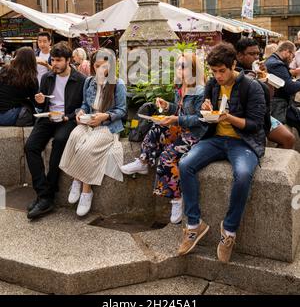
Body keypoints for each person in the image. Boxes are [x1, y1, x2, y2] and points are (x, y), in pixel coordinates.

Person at [178, 43, 266, 263]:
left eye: (222, 71)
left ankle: (229, 231)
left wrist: (229, 118)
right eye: (214, 71)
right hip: (216, 138)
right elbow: (207, 114)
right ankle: (194, 224)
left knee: (244, 175)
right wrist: (207, 110)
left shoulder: (251, 87)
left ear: (233, 65)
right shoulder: (212, 84)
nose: (217, 76)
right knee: (185, 164)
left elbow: (255, 125)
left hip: (243, 142)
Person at [121, 52, 207, 224]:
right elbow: (179, 111)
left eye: (183, 66)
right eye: (177, 65)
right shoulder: (180, 87)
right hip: (181, 128)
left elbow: (201, 119)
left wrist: (176, 119)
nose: (178, 69)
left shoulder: (200, 91)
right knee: (157, 127)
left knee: (167, 155)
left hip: (196, 135)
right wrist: (168, 107)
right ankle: (143, 162)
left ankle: (176, 198)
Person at [59, 49, 127, 216]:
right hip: (89, 122)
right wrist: (80, 113)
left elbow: (122, 110)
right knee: (74, 136)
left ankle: (85, 189)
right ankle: (76, 178)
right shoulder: (89, 82)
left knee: (87, 148)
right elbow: (84, 104)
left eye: (104, 66)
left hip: (107, 126)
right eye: (97, 66)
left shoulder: (118, 84)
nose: (101, 70)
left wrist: (105, 116)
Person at [25, 42, 86, 220]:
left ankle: (47, 196)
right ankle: (43, 194)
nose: (55, 64)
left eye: (59, 60)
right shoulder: (47, 78)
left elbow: (83, 107)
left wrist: (69, 116)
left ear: (68, 60)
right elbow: (42, 104)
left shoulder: (80, 79)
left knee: (59, 141)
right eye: (53, 60)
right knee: (30, 147)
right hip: (47, 117)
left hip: (67, 119)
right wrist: (38, 100)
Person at [236, 37, 295, 149]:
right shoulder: (235, 70)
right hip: (243, 116)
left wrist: (265, 76)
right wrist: (246, 81)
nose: (256, 57)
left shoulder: (258, 69)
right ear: (239, 55)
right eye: (252, 54)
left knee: (289, 138)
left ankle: (277, 164)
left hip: (263, 114)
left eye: (258, 54)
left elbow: (270, 95)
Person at [265, 41, 300, 129]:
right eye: (293, 55)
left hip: (280, 104)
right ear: (287, 52)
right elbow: (290, 87)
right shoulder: (276, 64)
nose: (293, 59)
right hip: (278, 106)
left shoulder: (274, 61)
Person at [0, 47, 38, 126]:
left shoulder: (4, 70)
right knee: (28, 108)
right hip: (7, 116)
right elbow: (35, 101)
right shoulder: (31, 78)